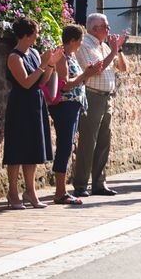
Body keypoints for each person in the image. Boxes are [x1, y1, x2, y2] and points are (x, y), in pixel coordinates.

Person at [3, 17, 62, 209]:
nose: (38, 36)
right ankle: (13, 192)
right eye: (35, 32)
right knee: (17, 148)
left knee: (34, 147)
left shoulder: (35, 53)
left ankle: (30, 190)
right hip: (20, 104)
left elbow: (42, 81)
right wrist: (42, 64)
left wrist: (51, 64)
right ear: (27, 34)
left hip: (35, 103)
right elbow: (26, 82)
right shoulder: (14, 57)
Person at [72, 13, 128, 197]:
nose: (109, 30)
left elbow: (123, 67)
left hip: (107, 97)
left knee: (104, 141)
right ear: (95, 29)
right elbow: (95, 71)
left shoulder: (104, 46)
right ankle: (80, 184)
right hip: (92, 95)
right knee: (89, 141)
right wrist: (112, 51)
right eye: (106, 27)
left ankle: (99, 183)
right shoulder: (84, 45)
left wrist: (117, 49)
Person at [49, 24, 101, 205]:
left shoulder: (70, 56)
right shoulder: (62, 57)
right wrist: (85, 74)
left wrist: (89, 73)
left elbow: (77, 81)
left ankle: (61, 190)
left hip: (73, 105)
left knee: (67, 146)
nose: (80, 44)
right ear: (72, 40)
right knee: (64, 146)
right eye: (79, 40)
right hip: (65, 106)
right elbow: (65, 85)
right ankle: (60, 192)